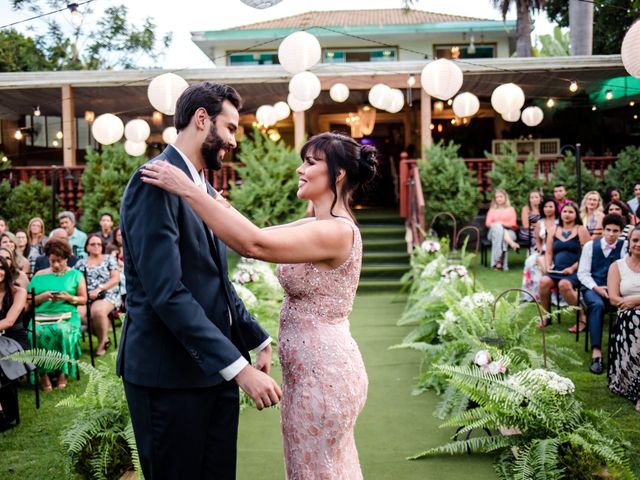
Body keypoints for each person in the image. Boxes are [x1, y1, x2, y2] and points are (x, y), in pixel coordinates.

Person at [142, 128, 374, 480]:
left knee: (319, 471)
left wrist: (187, 188)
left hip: (325, 374)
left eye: (310, 162)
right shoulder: (316, 223)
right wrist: (207, 193)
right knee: (316, 468)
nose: (300, 169)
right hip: (309, 373)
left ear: (338, 174)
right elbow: (252, 230)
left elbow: (255, 245)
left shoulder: (336, 231)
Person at [118, 82, 280, 480]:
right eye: (229, 128)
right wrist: (239, 370)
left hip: (213, 374)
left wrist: (254, 336)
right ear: (201, 119)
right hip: (169, 379)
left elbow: (216, 280)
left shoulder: (201, 188)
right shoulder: (153, 182)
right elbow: (168, 293)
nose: (233, 141)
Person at [28, 238, 86, 391]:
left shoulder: (76, 275)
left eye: (59, 261)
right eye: (52, 261)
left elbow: (83, 299)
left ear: (67, 259)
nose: (55, 265)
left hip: (67, 316)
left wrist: (69, 298)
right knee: (37, 333)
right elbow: (28, 303)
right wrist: (41, 297)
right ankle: (43, 375)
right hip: (41, 316)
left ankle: (63, 372)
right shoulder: (39, 275)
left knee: (62, 331)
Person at [577, 214, 626, 374]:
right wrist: (596, 288)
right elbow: (583, 274)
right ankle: (596, 353)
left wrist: (614, 289)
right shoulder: (590, 246)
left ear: (621, 232)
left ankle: (623, 350)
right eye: (608, 230)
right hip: (593, 289)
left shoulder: (625, 247)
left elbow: (626, 272)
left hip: (616, 290)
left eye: (615, 231)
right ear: (603, 230)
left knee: (628, 305)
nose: (611, 234)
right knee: (597, 305)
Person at [539, 202, 591, 326]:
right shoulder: (553, 229)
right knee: (543, 282)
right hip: (557, 270)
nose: (567, 214)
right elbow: (549, 252)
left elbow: (587, 255)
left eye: (571, 212)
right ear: (561, 213)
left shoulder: (581, 230)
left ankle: (582, 317)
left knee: (564, 284)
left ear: (576, 214)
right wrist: (548, 266)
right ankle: (546, 316)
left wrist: (572, 268)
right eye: (565, 211)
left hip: (576, 270)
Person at [607, 225, 640, 413]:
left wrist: (635, 300)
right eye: (635, 240)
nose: (638, 244)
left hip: (632, 309)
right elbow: (613, 298)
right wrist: (632, 306)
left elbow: (628, 301)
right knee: (636, 319)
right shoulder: (617, 266)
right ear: (628, 242)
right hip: (627, 317)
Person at [75, 234, 121, 356]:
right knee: (77, 314)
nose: (96, 246)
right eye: (93, 244)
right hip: (86, 295)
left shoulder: (109, 259)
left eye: (99, 244)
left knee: (97, 312)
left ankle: (101, 344)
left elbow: (115, 279)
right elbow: (75, 280)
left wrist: (99, 289)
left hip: (107, 293)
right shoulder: (81, 262)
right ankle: (104, 337)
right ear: (87, 247)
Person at [521, 197, 557, 301]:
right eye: (545, 206)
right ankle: (536, 294)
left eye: (551, 206)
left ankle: (553, 294)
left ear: (555, 208)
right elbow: (538, 241)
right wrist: (541, 250)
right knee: (530, 261)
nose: (548, 209)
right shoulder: (539, 223)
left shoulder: (560, 222)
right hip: (543, 250)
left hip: (556, 250)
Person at [485, 189, 519, 271]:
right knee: (497, 228)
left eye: (501, 196)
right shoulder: (492, 210)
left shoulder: (511, 209)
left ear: (505, 197)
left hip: (510, 232)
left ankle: (497, 264)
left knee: (501, 237)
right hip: (493, 233)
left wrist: (501, 223)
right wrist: (499, 225)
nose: (499, 199)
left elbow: (513, 224)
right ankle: (512, 244)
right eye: (497, 197)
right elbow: (488, 223)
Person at [0, 256, 28, 350]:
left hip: (14, 339)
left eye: (1, 268)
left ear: (6, 271)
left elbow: (9, 321)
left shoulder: (19, 292)